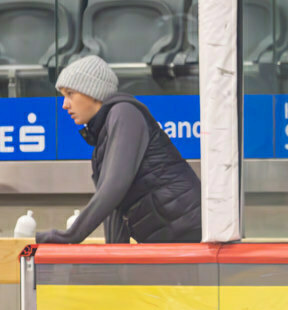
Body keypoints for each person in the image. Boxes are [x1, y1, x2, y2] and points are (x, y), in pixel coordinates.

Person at [36, 55, 202, 244]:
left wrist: (71, 236)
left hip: (187, 233)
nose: (64, 104)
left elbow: (114, 188)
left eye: (70, 94)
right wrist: (115, 263)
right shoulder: (102, 138)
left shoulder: (124, 113)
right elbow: (114, 207)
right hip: (168, 240)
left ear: (92, 91)